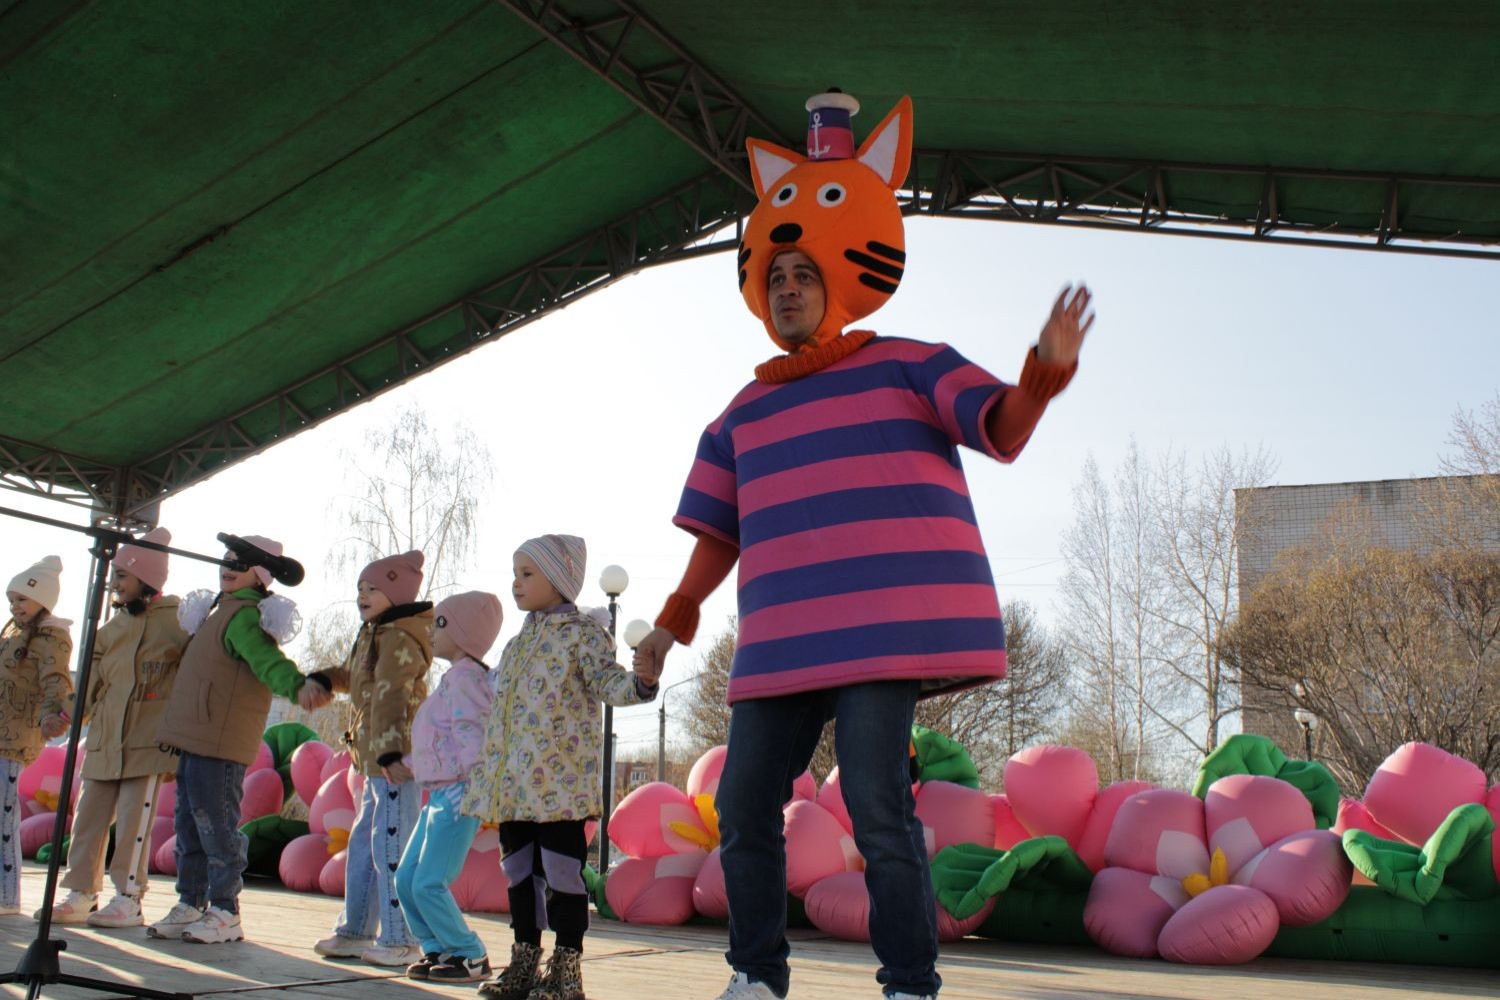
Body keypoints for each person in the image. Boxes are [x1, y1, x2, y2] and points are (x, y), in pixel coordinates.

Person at [631, 91, 1094, 1000]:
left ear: (835, 282)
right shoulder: (738, 416)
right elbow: (716, 537)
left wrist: (1043, 372)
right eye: (776, 277)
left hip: (879, 636)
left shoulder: (909, 362)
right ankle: (756, 977)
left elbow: (1000, 426)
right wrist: (667, 626)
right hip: (779, 644)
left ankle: (909, 983)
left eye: (803, 274)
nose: (788, 288)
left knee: (880, 808)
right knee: (741, 810)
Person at [462, 534, 661, 1000]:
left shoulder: (583, 635)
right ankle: (523, 961)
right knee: (518, 872)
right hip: (515, 789)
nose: (516, 583)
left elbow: (608, 682)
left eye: (527, 574)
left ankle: (567, 969)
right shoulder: (517, 644)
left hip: (560, 788)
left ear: (558, 579)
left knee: (562, 875)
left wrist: (641, 683)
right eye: (515, 574)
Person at [151, 535, 313, 943]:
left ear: (259, 576)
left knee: (217, 825)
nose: (228, 567)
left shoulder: (243, 617)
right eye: (225, 560)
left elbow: (267, 661)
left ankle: (225, 909)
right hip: (196, 736)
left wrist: (298, 686)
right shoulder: (217, 611)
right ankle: (191, 901)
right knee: (189, 823)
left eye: (239, 563)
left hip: (219, 741)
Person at [41, 529, 190, 928]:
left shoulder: (177, 621)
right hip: (105, 740)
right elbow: (89, 681)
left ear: (147, 578)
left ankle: (128, 896)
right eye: (114, 576)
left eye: (122, 575)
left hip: (146, 742)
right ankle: (81, 893)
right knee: (87, 818)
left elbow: (194, 675)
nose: (114, 583)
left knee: (133, 822)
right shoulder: (111, 628)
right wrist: (67, 715)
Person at [310, 550, 431, 968]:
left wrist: (391, 751)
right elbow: (355, 676)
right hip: (373, 760)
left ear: (396, 594)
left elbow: (392, 694)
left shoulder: (400, 637)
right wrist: (326, 678)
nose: (362, 595)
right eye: (360, 588)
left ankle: (401, 938)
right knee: (365, 842)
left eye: (373, 588)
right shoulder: (373, 632)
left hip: (393, 760)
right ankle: (356, 929)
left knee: (391, 844)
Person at [395, 590, 502, 984]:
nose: (431, 631)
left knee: (428, 881)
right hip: (440, 793)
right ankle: (437, 948)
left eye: (439, 623)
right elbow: (439, 741)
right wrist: (408, 765)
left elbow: (472, 732)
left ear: (465, 632)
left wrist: (476, 783)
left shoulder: (467, 679)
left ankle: (469, 954)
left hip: (459, 793)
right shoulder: (453, 679)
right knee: (406, 879)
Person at [0, 555, 74, 916]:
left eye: (22, 599)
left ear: (42, 600)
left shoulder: (51, 639)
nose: (15, 606)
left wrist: (51, 715)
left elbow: (55, 681)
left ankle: (6, 895)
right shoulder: (12, 634)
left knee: (4, 817)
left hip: (14, 739)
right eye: (11, 600)